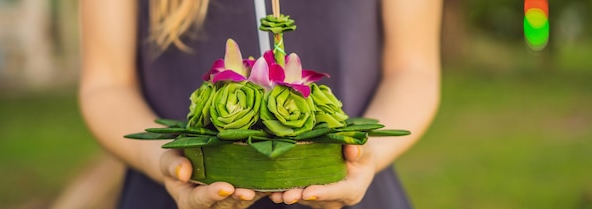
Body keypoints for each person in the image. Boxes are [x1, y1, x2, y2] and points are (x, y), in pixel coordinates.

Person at [79, 0, 441, 208]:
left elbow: (414, 69)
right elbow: (106, 84)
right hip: (166, 194)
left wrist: (367, 155)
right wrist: (166, 161)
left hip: (359, 190)